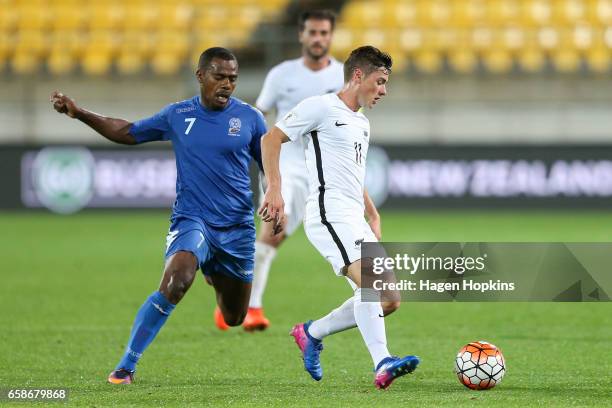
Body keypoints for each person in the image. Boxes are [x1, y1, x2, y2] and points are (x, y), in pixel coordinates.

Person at [50, 47, 267, 384]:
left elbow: (269, 165)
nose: (227, 84)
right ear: (200, 76)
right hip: (192, 219)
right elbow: (126, 132)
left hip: (237, 227)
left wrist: (275, 198)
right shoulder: (178, 114)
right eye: (219, 77)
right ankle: (126, 365)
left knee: (235, 316)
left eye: (233, 79)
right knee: (177, 281)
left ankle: (212, 270)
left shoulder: (251, 118)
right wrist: (80, 113)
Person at [258, 46, 419, 389]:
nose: (384, 90)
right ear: (358, 76)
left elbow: (352, 175)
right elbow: (271, 138)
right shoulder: (320, 106)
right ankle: (383, 362)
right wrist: (275, 190)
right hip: (329, 214)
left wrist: (371, 212)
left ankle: (310, 333)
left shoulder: (361, 122)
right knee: (374, 288)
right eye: (380, 81)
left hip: (354, 217)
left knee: (389, 300)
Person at [214, 10, 345, 332]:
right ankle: (249, 307)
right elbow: (259, 117)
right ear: (301, 36)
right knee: (273, 230)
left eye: (323, 33)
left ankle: (231, 295)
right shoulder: (282, 74)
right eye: (312, 32)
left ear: (331, 36)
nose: (318, 39)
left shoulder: (344, 75)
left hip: (324, 166)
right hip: (286, 162)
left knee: (287, 237)